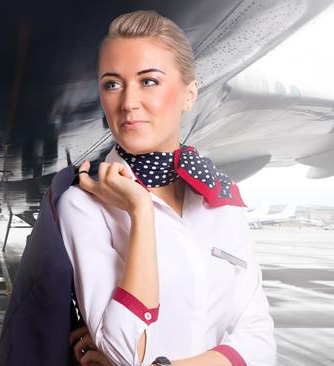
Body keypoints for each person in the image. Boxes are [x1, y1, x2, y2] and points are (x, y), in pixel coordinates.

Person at [58, 10, 276, 366]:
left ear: (189, 95)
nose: (128, 103)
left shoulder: (222, 200)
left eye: (149, 81)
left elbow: (261, 343)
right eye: (112, 84)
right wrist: (139, 211)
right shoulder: (82, 205)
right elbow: (124, 350)